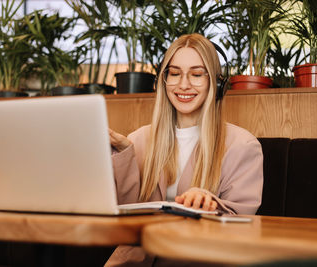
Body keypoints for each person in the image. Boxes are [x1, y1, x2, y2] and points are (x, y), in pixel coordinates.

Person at [106, 33, 263, 266]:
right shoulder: (137, 140)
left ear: (216, 84)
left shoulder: (243, 145)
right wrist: (123, 154)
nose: (183, 84)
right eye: (175, 73)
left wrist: (210, 204)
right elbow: (125, 219)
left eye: (197, 74)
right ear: (163, 80)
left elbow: (241, 227)